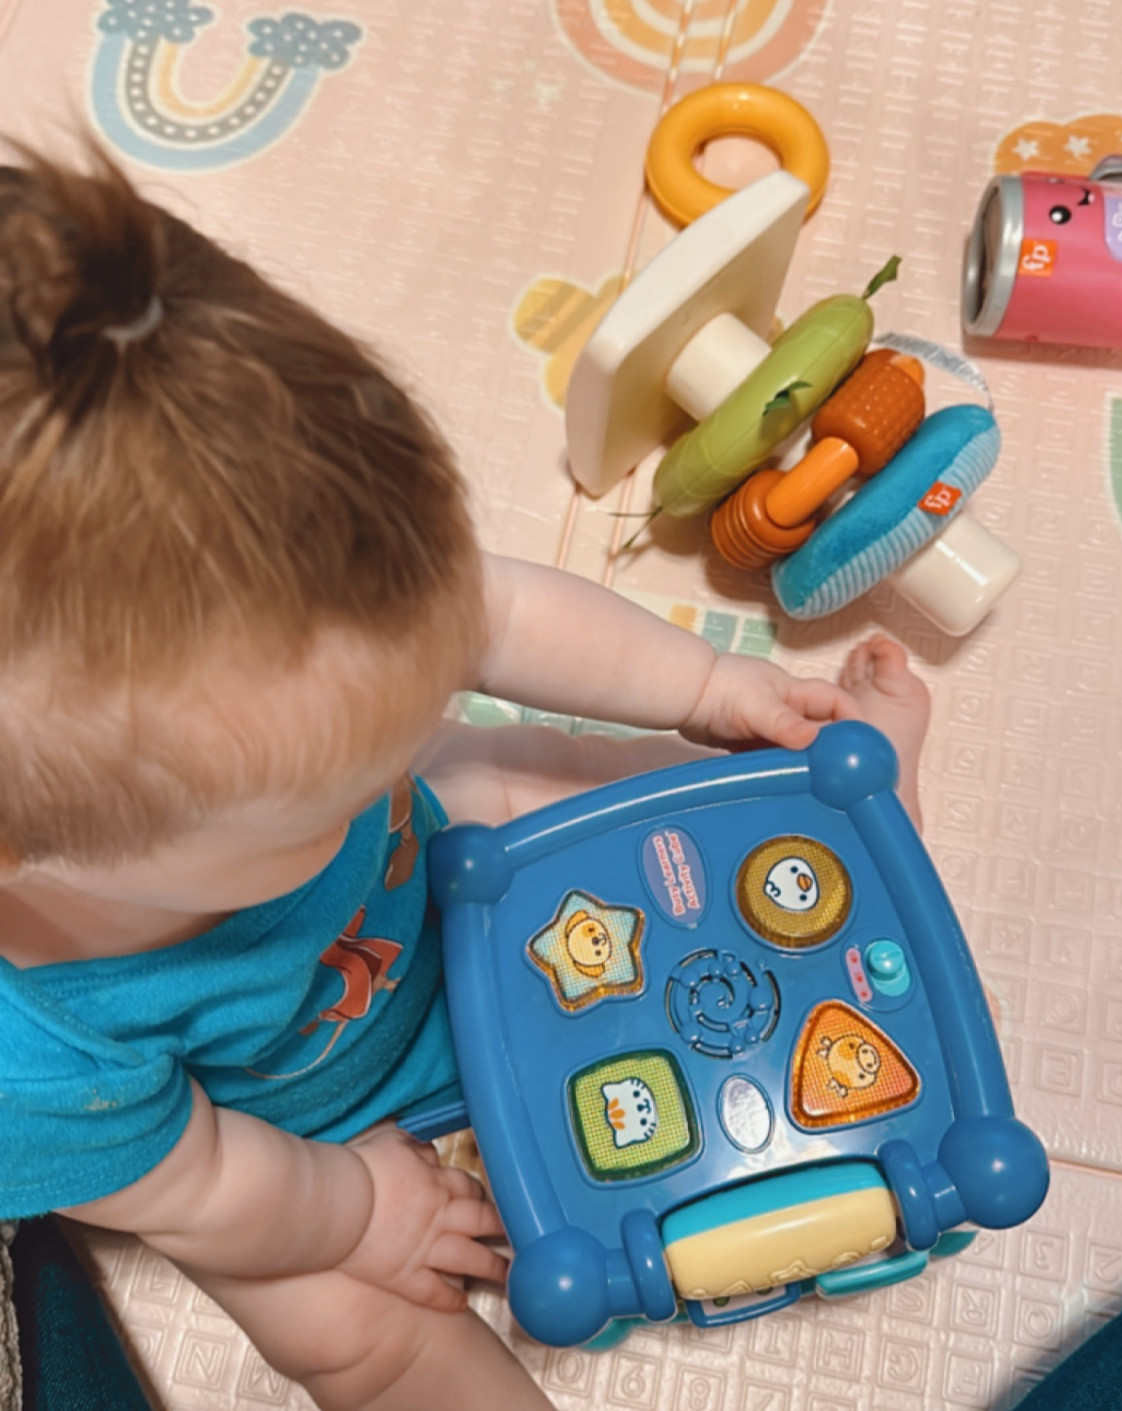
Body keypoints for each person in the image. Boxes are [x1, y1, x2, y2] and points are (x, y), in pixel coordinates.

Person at [0, 146, 931, 1411]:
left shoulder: (308, 567)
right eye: (336, 784)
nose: (417, 724)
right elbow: (198, 1181)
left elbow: (500, 617)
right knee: (342, 1327)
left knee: (557, 777)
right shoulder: (33, 1056)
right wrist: (352, 1210)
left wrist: (712, 698)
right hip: (288, 1127)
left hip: (445, 866)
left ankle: (840, 806)